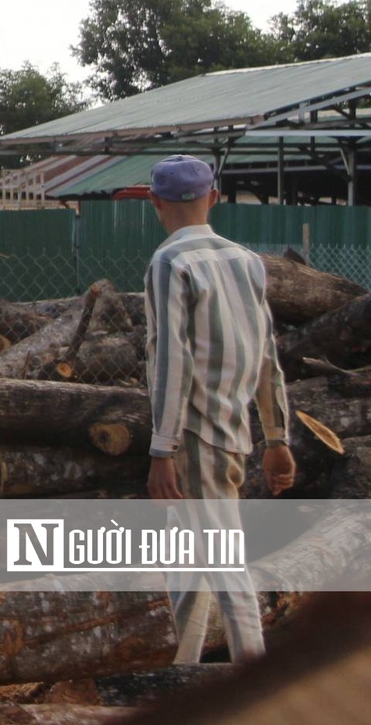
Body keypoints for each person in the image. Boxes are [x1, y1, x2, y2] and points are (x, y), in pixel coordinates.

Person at [142, 154, 294, 664]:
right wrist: (277, 439)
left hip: (194, 437)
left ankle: (258, 686)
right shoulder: (246, 261)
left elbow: (172, 359)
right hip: (234, 433)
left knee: (226, 568)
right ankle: (178, 675)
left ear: (154, 202)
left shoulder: (170, 262)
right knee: (189, 569)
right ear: (215, 197)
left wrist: (161, 449)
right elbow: (268, 354)